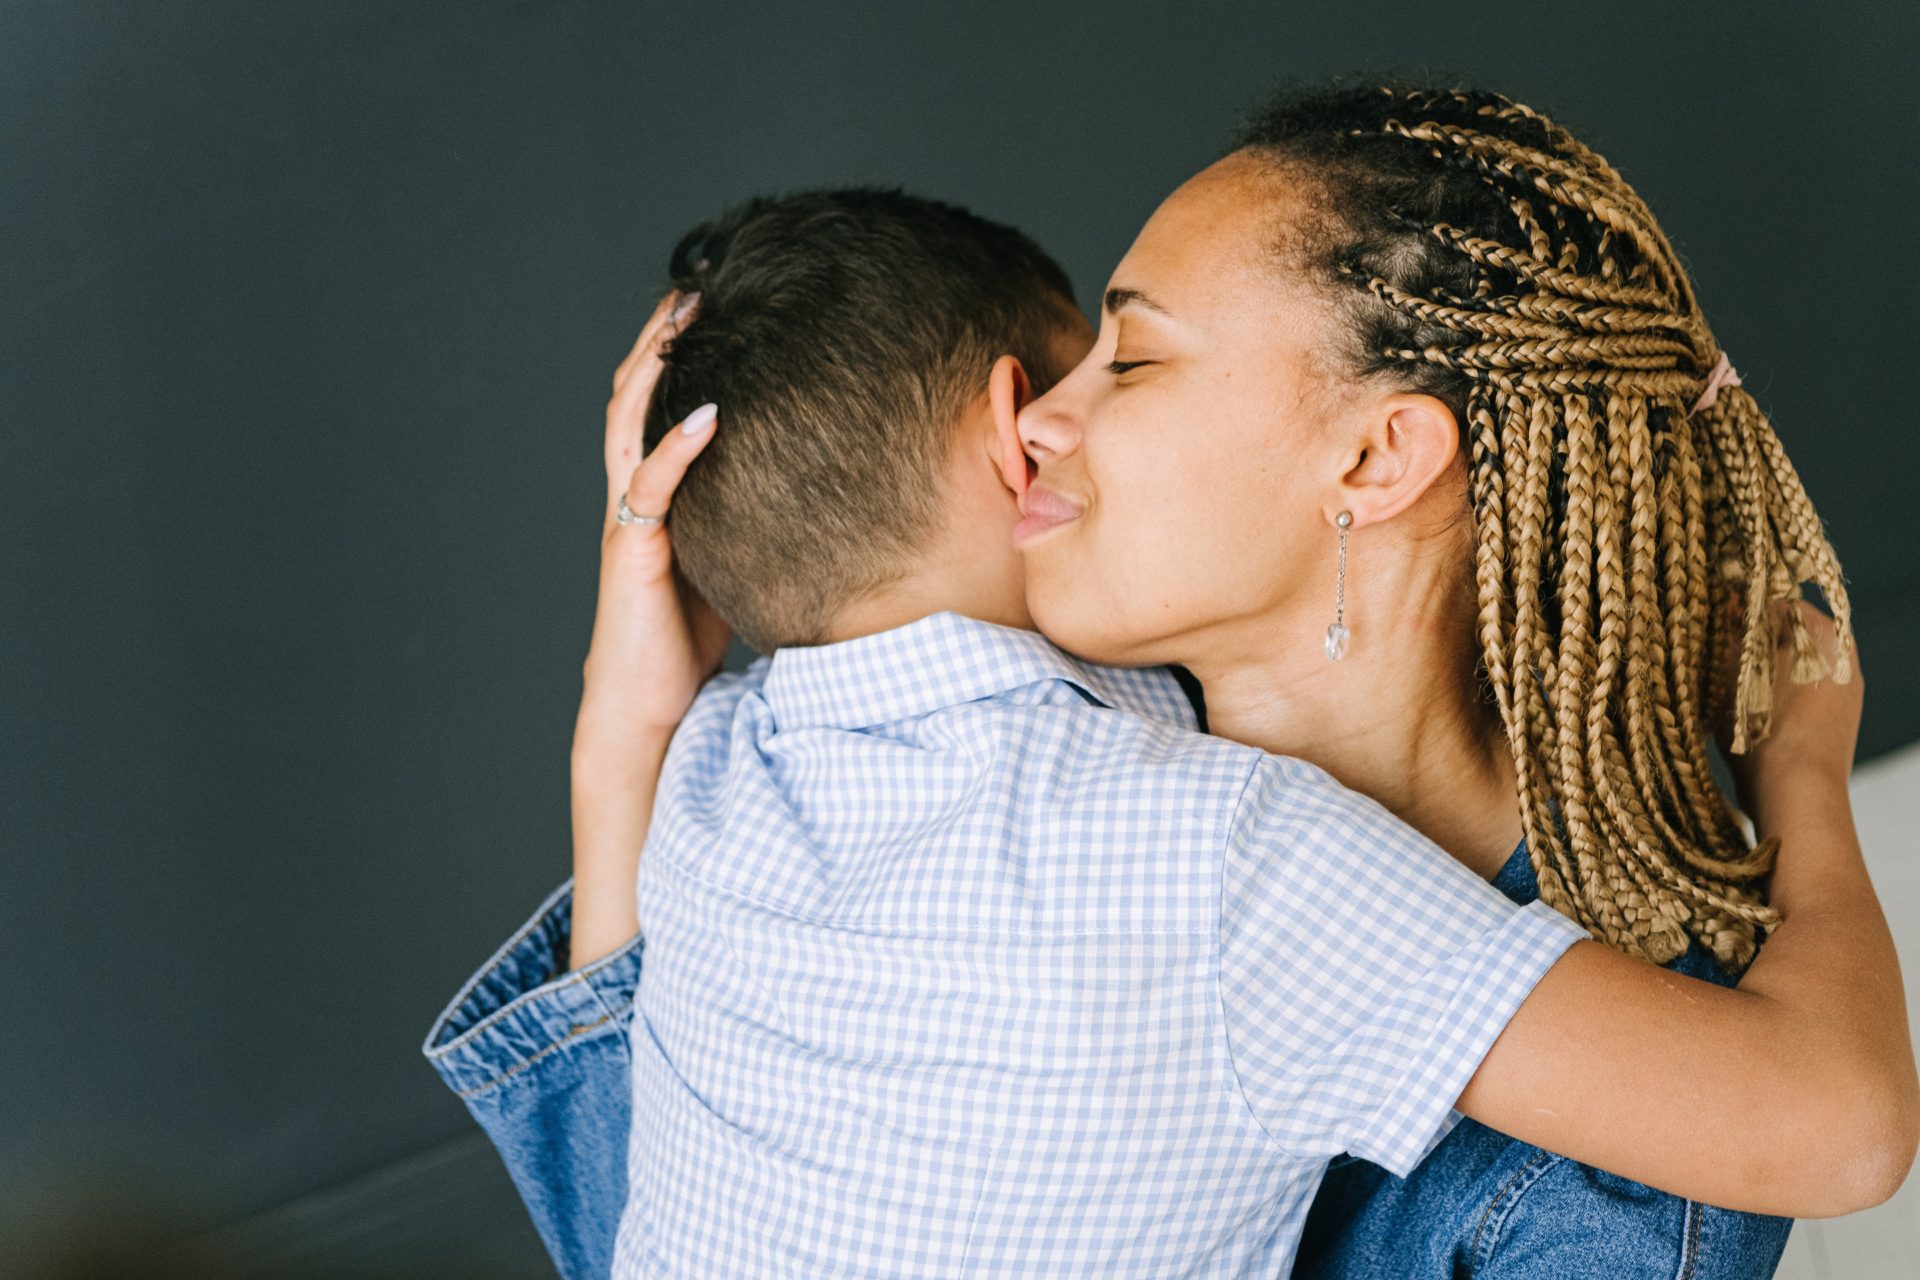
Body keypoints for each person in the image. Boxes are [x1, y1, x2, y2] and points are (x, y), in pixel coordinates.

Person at [424, 89, 1915, 1280]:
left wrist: (1803, 762)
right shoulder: (1022, 815)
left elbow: (1836, 1128)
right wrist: (627, 726)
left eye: (1128, 365)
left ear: (1375, 458)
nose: (1038, 430)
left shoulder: (1590, 1173)